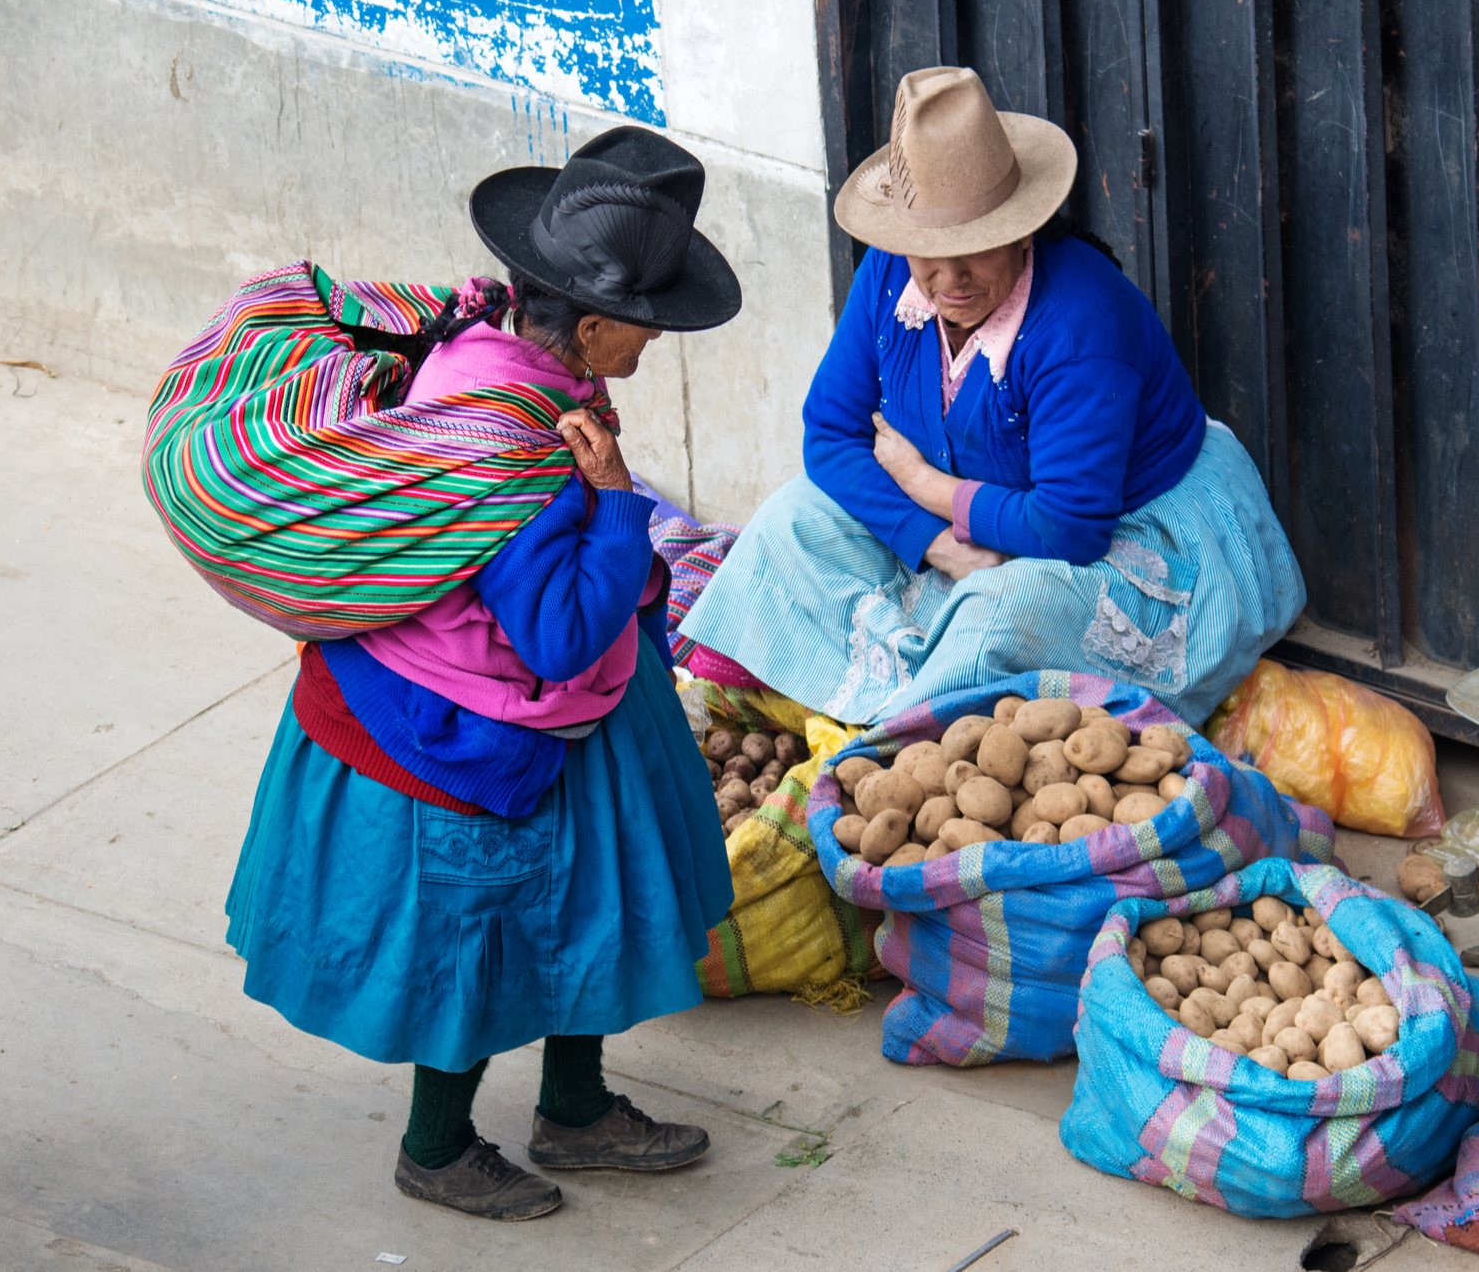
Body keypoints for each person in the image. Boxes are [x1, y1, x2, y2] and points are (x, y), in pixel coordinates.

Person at [223, 128, 740, 1221]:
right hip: (467, 727)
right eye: (647, 322)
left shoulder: (480, 352)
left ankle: (576, 1104)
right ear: (592, 327)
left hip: (540, 704)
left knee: (592, 902)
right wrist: (612, 507)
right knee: (477, 936)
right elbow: (554, 632)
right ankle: (437, 1143)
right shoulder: (522, 445)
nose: (655, 339)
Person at [679, 67, 1304, 726]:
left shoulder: (1079, 323)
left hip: (1123, 529)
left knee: (999, 617)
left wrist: (926, 486)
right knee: (788, 520)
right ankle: (906, 680)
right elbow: (830, 434)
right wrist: (933, 542)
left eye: (974, 249)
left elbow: (1069, 525)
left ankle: (903, 714)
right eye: (928, 253)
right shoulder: (889, 274)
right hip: (985, 522)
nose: (951, 280)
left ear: (1021, 227)